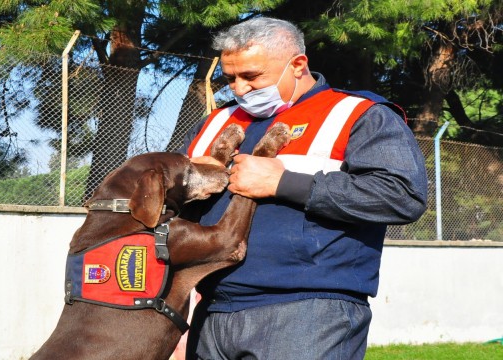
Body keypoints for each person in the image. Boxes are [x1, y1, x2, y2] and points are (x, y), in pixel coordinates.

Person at [178, 17, 428, 360]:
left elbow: (402, 196)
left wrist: (283, 183)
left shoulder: (357, 113)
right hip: (212, 310)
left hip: (308, 312)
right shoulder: (216, 122)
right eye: (230, 78)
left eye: (251, 76)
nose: (238, 89)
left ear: (297, 65)